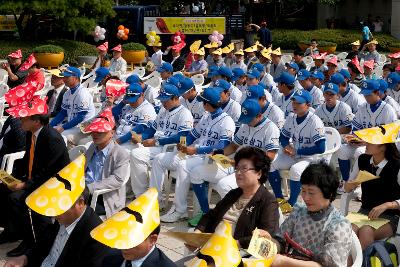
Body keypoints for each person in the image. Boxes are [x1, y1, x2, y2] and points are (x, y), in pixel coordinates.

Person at [5, 157, 110, 267]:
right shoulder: (63, 217)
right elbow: (43, 244)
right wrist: (24, 258)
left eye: (61, 206)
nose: (54, 214)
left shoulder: (96, 237)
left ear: (80, 203)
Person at [0, 97, 70, 257]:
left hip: (53, 183)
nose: (20, 120)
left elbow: (48, 172)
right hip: (37, 179)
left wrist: (24, 185)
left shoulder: (52, 139)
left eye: (24, 118)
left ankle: (30, 240)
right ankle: (11, 231)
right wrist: (11, 178)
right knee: (3, 190)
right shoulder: (31, 133)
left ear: (37, 121)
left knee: (18, 198)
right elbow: (26, 160)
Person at [157, 88, 235, 223]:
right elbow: (193, 135)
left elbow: (223, 147)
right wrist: (184, 144)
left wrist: (196, 150)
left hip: (214, 160)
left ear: (207, 104)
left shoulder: (227, 121)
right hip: (199, 155)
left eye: (203, 102)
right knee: (177, 163)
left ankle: (185, 210)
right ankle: (179, 209)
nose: (201, 104)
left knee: (186, 167)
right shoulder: (207, 116)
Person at [261, 163, 352, 267]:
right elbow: (281, 241)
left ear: (329, 193)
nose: (306, 197)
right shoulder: (299, 212)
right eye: (303, 191)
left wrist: (284, 262)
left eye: (311, 193)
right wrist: (269, 242)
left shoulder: (338, 225)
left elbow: (329, 265)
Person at [194, 146, 280, 249]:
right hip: (213, 245)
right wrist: (197, 233)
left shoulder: (268, 201)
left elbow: (266, 235)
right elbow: (211, 215)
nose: (238, 173)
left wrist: (236, 244)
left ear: (259, 173)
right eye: (237, 168)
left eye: (244, 168)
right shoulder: (234, 194)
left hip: (235, 253)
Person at [129, 84, 193, 198]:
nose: (163, 103)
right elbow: (152, 129)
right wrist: (141, 136)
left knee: (145, 157)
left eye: (166, 100)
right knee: (134, 153)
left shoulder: (185, 113)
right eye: (162, 100)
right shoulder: (163, 110)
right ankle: (141, 194)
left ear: (175, 98)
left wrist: (155, 142)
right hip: (157, 146)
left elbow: (182, 137)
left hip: (172, 148)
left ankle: (155, 198)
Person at [269, 89, 326, 213]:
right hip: (294, 154)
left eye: (299, 103)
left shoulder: (315, 121)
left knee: (296, 170)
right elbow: (283, 137)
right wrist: (286, 146)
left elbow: (321, 148)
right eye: (293, 101)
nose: (294, 105)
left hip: (311, 158)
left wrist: (297, 151)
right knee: (271, 162)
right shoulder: (291, 117)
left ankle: (292, 202)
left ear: (308, 105)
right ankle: (279, 197)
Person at [345, 123, 400, 250]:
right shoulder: (362, 160)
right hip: (364, 212)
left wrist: (387, 205)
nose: (366, 143)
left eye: (371, 141)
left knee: (366, 231)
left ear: (383, 147)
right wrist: (352, 184)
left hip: (390, 216)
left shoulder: (397, 165)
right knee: (347, 229)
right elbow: (347, 189)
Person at [92, 188, 176, 267]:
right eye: (122, 236)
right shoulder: (109, 256)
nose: (124, 246)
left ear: (152, 240)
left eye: (131, 240)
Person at [337, 79, 396, 185]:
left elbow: (389, 138)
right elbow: (356, 129)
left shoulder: (388, 110)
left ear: (377, 93)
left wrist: (367, 142)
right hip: (362, 143)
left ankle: (360, 185)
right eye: (364, 94)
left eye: (369, 95)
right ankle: (346, 181)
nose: (366, 97)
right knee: (342, 151)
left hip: (381, 147)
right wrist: (352, 139)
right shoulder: (363, 107)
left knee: (360, 153)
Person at [83, 108, 130, 218]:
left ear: (112, 133)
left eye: (100, 131)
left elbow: (118, 179)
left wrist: (89, 187)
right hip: (84, 190)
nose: (95, 134)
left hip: (104, 197)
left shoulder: (120, 153)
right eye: (93, 131)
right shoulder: (92, 147)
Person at [49, 66, 96, 146]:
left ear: (75, 78)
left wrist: (63, 127)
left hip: (84, 129)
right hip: (72, 125)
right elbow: (63, 113)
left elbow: (80, 117)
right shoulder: (67, 93)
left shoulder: (82, 93)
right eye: (64, 76)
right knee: (47, 131)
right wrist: (49, 126)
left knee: (59, 137)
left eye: (67, 77)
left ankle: (69, 158)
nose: (64, 79)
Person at [113, 83, 157, 149]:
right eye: (129, 99)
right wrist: (122, 103)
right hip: (116, 137)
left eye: (134, 99)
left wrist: (119, 141)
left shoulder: (147, 108)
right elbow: (111, 115)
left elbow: (141, 128)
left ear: (142, 95)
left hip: (130, 142)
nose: (131, 102)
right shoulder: (127, 106)